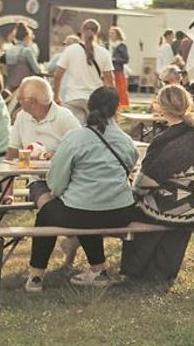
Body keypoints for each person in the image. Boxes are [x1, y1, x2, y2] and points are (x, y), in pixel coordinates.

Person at [24, 87, 138, 292]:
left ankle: (36, 275)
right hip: (121, 212)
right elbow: (130, 167)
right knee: (87, 207)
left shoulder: (75, 138)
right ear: (117, 110)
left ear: (88, 108)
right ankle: (99, 271)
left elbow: (56, 183)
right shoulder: (126, 141)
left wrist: (55, 195)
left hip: (81, 212)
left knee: (47, 212)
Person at [121, 84, 194, 282]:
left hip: (181, 206)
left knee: (135, 207)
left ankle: (135, 270)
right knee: (167, 202)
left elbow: (145, 183)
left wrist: (132, 193)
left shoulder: (165, 140)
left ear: (160, 108)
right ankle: (161, 270)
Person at [52, 19, 114, 124]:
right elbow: (109, 81)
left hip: (73, 98)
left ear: (82, 30)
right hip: (95, 100)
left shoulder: (70, 50)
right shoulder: (104, 53)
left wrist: (56, 96)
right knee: (94, 132)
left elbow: (57, 75)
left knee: (74, 131)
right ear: (97, 32)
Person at [7, 76, 81, 161]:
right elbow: (13, 149)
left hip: (56, 172)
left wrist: (55, 156)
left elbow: (80, 149)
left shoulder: (64, 117)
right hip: (27, 173)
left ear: (32, 102)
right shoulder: (22, 116)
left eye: (20, 99)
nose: (18, 102)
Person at [3, 23, 41, 92]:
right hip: (24, 87)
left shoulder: (9, 50)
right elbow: (37, 70)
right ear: (27, 37)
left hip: (10, 86)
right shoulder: (27, 51)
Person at [108, 27, 130, 108]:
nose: (110, 35)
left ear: (118, 35)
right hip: (108, 70)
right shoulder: (107, 45)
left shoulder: (121, 46)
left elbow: (126, 59)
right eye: (110, 33)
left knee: (120, 89)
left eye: (112, 33)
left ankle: (123, 106)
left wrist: (114, 59)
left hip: (118, 70)